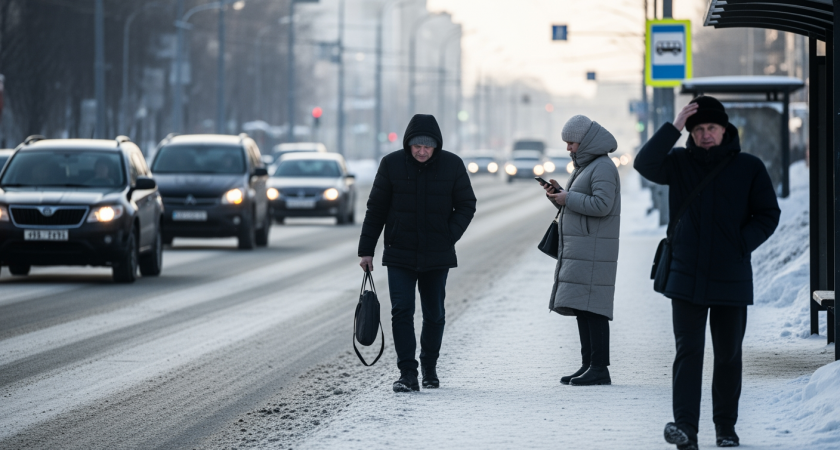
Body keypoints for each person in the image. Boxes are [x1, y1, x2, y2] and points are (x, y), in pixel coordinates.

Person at [634, 96, 780, 450]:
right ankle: (686, 429)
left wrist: (739, 244)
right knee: (689, 353)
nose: (705, 135)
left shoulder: (749, 167)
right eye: (698, 129)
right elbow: (644, 163)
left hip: (731, 275)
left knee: (728, 355)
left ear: (725, 129)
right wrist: (674, 125)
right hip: (685, 276)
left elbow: (768, 214)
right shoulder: (679, 162)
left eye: (711, 127)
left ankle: (725, 429)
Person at [358, 114, 476, 393]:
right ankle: (408, 373)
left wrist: (449, 235)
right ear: (408, 144)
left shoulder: (452, 165)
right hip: (400, 252)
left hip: (437, 254)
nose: (422, 151)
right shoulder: (391, 165)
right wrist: (366, 251)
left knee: (434, 313)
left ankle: (430, 369)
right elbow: (375, 209)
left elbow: (467, 205)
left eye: (428, 146)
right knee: (402, 311)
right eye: (417, 146)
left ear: (437, 146)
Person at [541, 115, 621, 387]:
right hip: (584, 246)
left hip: (594, 247)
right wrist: (560, 196)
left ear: (585, 141)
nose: (568, 149)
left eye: (571, 143)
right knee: (582, 307)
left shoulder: (602, 167)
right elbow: (581, 205)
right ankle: (589, 364)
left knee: (594, 309)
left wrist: (568, 198)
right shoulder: (586, 166)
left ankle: (599, 368)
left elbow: (601, 205)